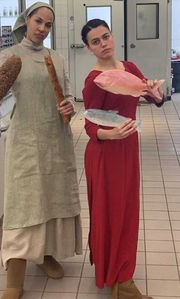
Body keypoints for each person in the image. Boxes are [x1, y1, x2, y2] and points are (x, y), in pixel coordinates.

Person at [0, 2, 82, 299]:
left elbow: (69, 94)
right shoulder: (11, 56)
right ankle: (15, 278)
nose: (42, 29)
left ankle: (45, 254)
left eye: (48, 25)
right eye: (38, 22)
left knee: (51, 200)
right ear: (26, 21)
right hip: (25, 142)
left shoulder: (57, 58)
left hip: (56, 142)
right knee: (24, 204)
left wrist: (70, 106)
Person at [81, 19, 165, 299]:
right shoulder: (94, 80)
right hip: (105, 153)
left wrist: (157, 93)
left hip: (128, 147)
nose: (103, 43)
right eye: (96, 41)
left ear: (113, 37)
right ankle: (118, 278)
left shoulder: (129, 69)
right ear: (89, 48)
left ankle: (122, 275)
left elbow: (152, 96)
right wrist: (109, 135)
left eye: (106, 36)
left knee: (127, 210)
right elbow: (89, 124)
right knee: (110, 212)